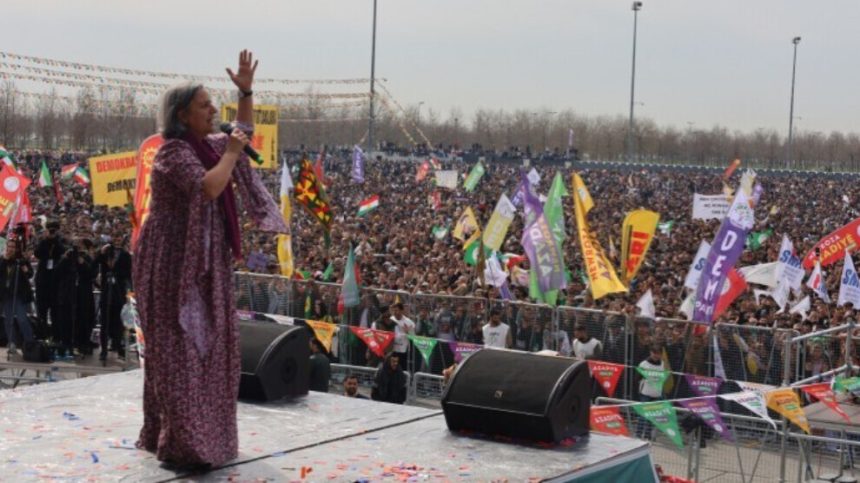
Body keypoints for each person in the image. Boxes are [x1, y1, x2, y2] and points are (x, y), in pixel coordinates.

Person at [134, 50, 287, 469]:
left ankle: (205, 434)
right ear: (182, 114)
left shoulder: (208, 145)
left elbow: (243, 131)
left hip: (206, 259)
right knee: (178, 348)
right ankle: (183, 442)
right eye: (204, 105)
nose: (213, 110)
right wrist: (233, 153)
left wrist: (246, 93)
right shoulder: (173, 153)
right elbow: (209, 188)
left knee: (209, 346)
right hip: (173, 262)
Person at [93, 233, 132, 361]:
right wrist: (101, 253)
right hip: (106, 290)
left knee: (118, 322)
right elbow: (95, 265)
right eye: (114, 238)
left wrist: (116, 272)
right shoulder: (106, 252)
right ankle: (103, 350)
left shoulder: (125, 255)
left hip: (118, 291)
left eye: (118, 238)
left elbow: (128, 273)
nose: (117, 240)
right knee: (105, 321)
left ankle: (118, 347)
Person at [0, 239, 35, 358]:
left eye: (13, 247)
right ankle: (12, 343)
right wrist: (4, 260)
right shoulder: (2, 260)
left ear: (16, 248)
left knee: (22, 319)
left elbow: (30, 274)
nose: (11, 249)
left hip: (19, 294)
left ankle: (29, 342)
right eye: (9, 246)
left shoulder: (20, 260)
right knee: (8, 320)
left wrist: (26, 270)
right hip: (6, 295)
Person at [34, 220, 64, 338]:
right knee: (41, 311)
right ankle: (42, 335)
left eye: (54, 230)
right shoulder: (42, 241)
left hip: (56, 282)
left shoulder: (61, 241)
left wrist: (55, 239)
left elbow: (61, 251)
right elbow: (37, 253)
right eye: (50, 229)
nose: (52, 231)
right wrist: (46, 239)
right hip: (43, 281)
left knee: (55, 312)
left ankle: (56, 337)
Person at [636, 345, 666, 439]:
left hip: (657, 393)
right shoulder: (643, 364)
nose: (656, 355)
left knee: (652, 416)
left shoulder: (662, 364)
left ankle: (648, 434)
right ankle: (638, 435)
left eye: (658, 353)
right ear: (650, 352)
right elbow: (637, 378)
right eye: (654, 353)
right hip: (645, 393)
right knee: (643, 415)